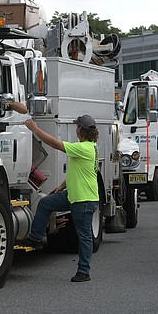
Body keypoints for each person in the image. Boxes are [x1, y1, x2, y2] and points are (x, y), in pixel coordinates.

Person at [22, 114, 100, 283]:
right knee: (46, 203)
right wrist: (62, 186)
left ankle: (84, 271)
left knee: (84, 237)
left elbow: (55, 144)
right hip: (73, 194)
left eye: (77, 126)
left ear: (81, 130)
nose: (76, 129)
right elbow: (80, 172)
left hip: (83, 199)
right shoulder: (89, 147)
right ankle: (35, 238)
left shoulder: (85, 148)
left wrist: (35, 129)